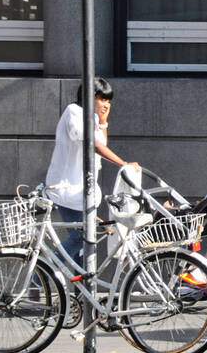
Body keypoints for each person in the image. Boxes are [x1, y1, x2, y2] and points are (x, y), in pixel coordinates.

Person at [44, 77, 137, 259]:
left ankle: (83, 288)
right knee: (82, 239)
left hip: (84, 192)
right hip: (67, 190)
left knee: (85, 248)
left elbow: (101, 142)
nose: (106, 105)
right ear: (90, 96)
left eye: (108, 101)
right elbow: (93, 144)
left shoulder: (91, 118)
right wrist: (123, 164)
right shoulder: (74, 112)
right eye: (102, 99)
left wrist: (103, 121)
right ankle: (41, 277)